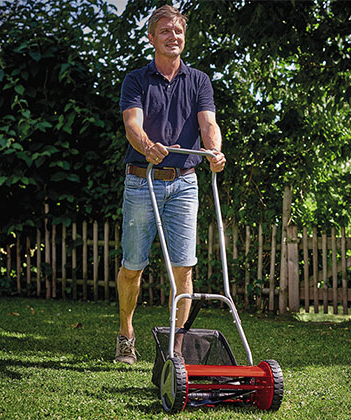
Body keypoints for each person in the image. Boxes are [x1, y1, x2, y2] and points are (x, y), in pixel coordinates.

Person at [114, 5, 226, 365]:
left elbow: (208, 123)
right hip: (142, 182)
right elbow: (133, 125)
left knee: (184, 267)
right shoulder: (136, 80)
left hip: (185, 183)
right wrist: (148, 148)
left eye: (178, 31)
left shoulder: (199, 81)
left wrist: (215, 151)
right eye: (165, 32)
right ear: (152, 38)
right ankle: (126, 334)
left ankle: (176, 351)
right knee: (133, 265)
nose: (173, 37)